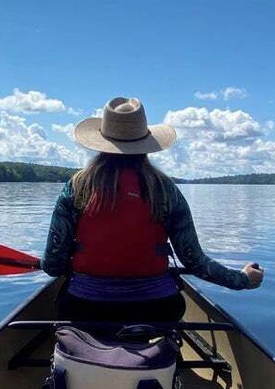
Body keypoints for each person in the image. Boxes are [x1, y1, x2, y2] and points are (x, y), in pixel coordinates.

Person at [42, 96, 263, 324]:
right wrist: (243, 279)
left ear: (101, 143)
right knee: (173, 309)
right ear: (145, 145)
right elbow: (195, 261)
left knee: (64, 304)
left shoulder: (76, 187)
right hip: (156, 309)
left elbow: (52, 265)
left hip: (85, 308)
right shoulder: (165, 190)